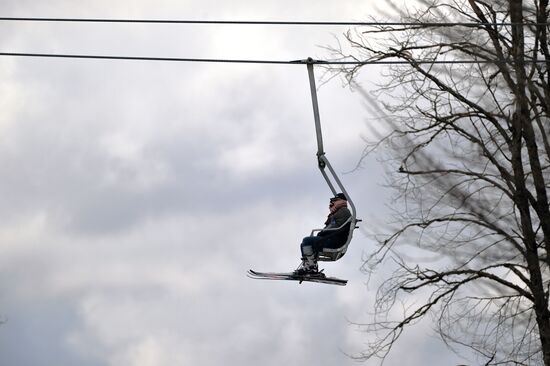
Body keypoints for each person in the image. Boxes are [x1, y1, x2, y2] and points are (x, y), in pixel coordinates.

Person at [295, 193, 352, 275]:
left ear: (339, 201)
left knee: (307, 240)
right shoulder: (337, 213)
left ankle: (311, 267)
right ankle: (309, 265)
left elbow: (333, 227)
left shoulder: (343, 211)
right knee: (303, 244)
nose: (331, 204)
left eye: (334, 201)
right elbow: (331, 226)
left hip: (335, 240)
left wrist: (322, 233)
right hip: (332, 238)